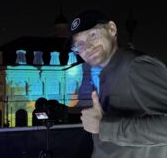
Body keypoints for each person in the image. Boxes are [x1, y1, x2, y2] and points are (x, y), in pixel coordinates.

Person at [69, 9, 167, 157]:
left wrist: (103, 127)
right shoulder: (108, 72)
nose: (88, 47)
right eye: (79, 45)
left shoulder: (136, 66)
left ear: (112, 29)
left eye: (93, 35)